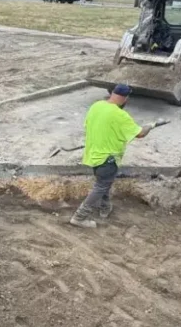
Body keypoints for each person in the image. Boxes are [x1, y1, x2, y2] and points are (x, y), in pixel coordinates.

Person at [70, 84, 166, 229]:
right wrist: (152, 125)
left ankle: (105, 207)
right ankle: (79, 217)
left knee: (104, 183)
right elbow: (140, 133)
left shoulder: (96, 106)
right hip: (108, 159)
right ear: (126, 98)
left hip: (94, 155)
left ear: (112, 93)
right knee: (101, 186)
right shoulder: (120, 115)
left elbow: (89, 125)